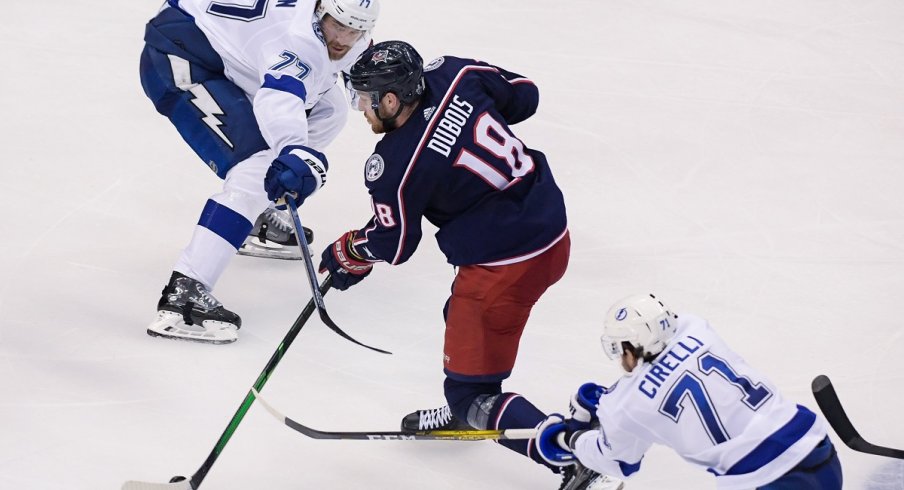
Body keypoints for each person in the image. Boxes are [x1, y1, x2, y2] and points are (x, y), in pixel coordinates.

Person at [295, 40, 623, 490]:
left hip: (505, 267)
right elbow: (525, 96)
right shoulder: (455, 73)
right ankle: (477, 401)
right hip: (551, 228)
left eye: (367, 100)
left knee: (472, 394)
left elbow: (395, 243)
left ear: (392, 100)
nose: (362, 109)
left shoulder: (393, 165)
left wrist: (350, 250)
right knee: (460, 317)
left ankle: (575, 454)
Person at [138, 0, 380, 343]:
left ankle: (256, 214)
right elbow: (277, 99)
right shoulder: (298, 40)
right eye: (336, 25)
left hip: (226, 47)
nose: (342, 39)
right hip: (180, 54)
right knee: (257, 165)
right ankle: (185, 294)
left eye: (354, 30)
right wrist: (293, 153)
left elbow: (358, 88)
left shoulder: (343, 28)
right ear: (319, 12)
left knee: (330, 108)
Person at [535, 294, 843, 490]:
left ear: (630, 347)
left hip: (767, 480)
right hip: (818, 449)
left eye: (619, 349)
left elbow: (620, 463)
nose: (619, 358)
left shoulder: (625, 406)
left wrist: (570, 438)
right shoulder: (697, 329)